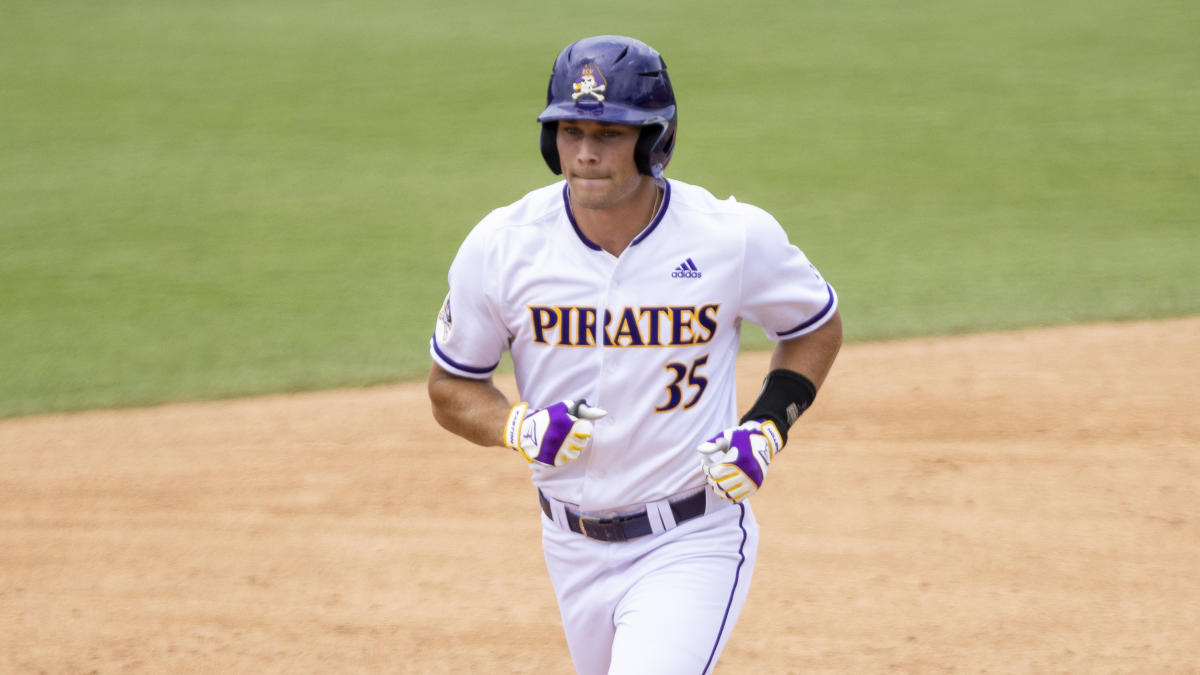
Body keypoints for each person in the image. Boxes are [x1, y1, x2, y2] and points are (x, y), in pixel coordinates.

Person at [427, 34, 842, 674]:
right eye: (570, 131)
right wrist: (516, 427)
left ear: (656, 140)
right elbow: (451, 388)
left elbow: (815, 324)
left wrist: (766, 427)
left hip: (693, 537)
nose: (586, 154)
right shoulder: (503, 247)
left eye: (610, 134)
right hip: (568, 543)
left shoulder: (729, 238)